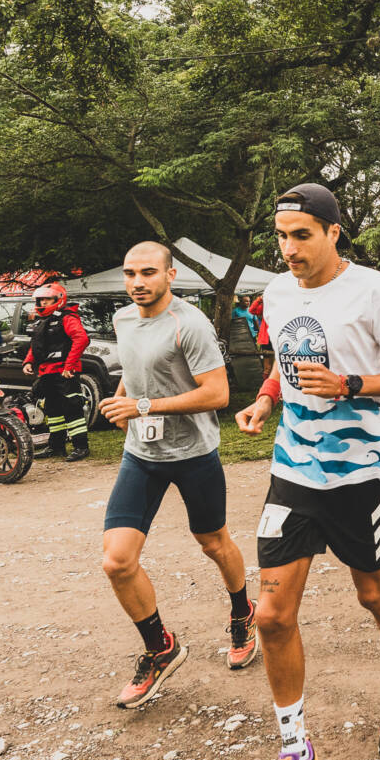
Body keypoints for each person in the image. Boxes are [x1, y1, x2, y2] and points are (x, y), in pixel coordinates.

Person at [234, 183, 380, 760]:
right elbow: (283, 360)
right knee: (270, 612)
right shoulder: (277, 293)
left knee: (375, 596)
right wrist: (267, 398)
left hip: (365, 472)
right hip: (296, 468)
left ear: (332, 232)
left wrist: (352, 384)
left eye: (301, 235)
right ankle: (296, 752)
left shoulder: (373, 292)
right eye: (281, 236)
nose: (288, 249)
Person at [93, 242, 255, 710]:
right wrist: (123, 398)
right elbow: (134, 366)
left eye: (147, 272)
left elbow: (219, 393)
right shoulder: (124, 319)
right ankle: (160, 647)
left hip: (192, 452)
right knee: (116, 562)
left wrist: (143, 404)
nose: (137, 282)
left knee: (213, 543)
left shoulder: (191, 324)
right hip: (141, 453)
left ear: (170, 273)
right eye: (129, 274)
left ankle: (243, 613)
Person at [23, 282, 91, 462]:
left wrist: (69, 365)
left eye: (47, 299)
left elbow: (81, 339)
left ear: (58, 299)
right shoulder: (41, 321)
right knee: (52, 410)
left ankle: (81, 447)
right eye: (41, 299)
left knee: (72, 408)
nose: (43, 303)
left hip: (65, 372)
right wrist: (28, 361)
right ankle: (56, 446)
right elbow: (36, 345)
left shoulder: (67, 318)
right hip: (47, 372)